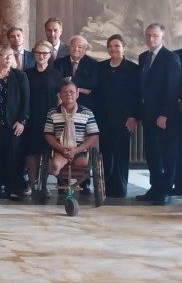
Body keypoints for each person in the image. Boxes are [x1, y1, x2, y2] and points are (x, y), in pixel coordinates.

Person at [136, 24, 181, 206]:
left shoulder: (170, 58)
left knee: (167, 154)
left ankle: (164, 191)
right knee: (152, 153)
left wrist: (164, 114)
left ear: (162, 36)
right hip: (148, 116)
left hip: (165, 117)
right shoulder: (143, 57)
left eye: (155, 35)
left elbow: (173, 89)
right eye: (148, 35)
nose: (151, 39)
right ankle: (154, 188)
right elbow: (142, 89)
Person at [0, 45, 30, 201]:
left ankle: (12, 189)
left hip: (13, 124)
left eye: (10, 55)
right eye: (4, 55)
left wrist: (22, 121)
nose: (8, 58)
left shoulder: (20, 76)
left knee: (13, 157)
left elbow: (26, 101)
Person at [95, 35, 139, 198]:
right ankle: (105, 187)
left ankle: (120, 189)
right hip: (103, 118)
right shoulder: (101, 67)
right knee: (106, 154)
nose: (113, 49)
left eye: (117, 46)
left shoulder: (133, 69)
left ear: (124, 47)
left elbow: (136, 95)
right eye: (110, 46)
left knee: (121, 154)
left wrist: (133, 116)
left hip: (124, 119)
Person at [23, 41, 62, 195]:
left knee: (46, 152)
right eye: (38, 53)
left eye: (45, 53)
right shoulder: (27, 73)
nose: (41, 56)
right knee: (31, 152)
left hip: (49, 117)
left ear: (50, 55)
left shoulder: (56, 74)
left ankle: (44, 185)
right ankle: (31, 184)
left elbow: (59, 97)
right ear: (34, 54)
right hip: (31, 116)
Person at [45, 81, 100, 180]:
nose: (68, 94)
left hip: (80, 150)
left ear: (77, 94)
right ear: (60, 95)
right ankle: (62, 182)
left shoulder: (87, 113)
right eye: (65, 92)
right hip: (61, 150)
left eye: (71, 92)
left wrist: (76, 150)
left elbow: (93, 136)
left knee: (84, 166)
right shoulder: (52, 113)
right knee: (55, 165)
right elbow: (48, 135)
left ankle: (82, 183)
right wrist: (62, 149)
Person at [53, 35, 99, 112]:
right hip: (64, 104)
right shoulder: (59, 63)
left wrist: (70, 79)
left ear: (85, 49)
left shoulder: (93, 64)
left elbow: (92, 84)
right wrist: (81, 89)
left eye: (80, 47)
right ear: (69, 47)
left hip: (86, 105)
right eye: (73, 46)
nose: (76, 49)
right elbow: (57, 83)